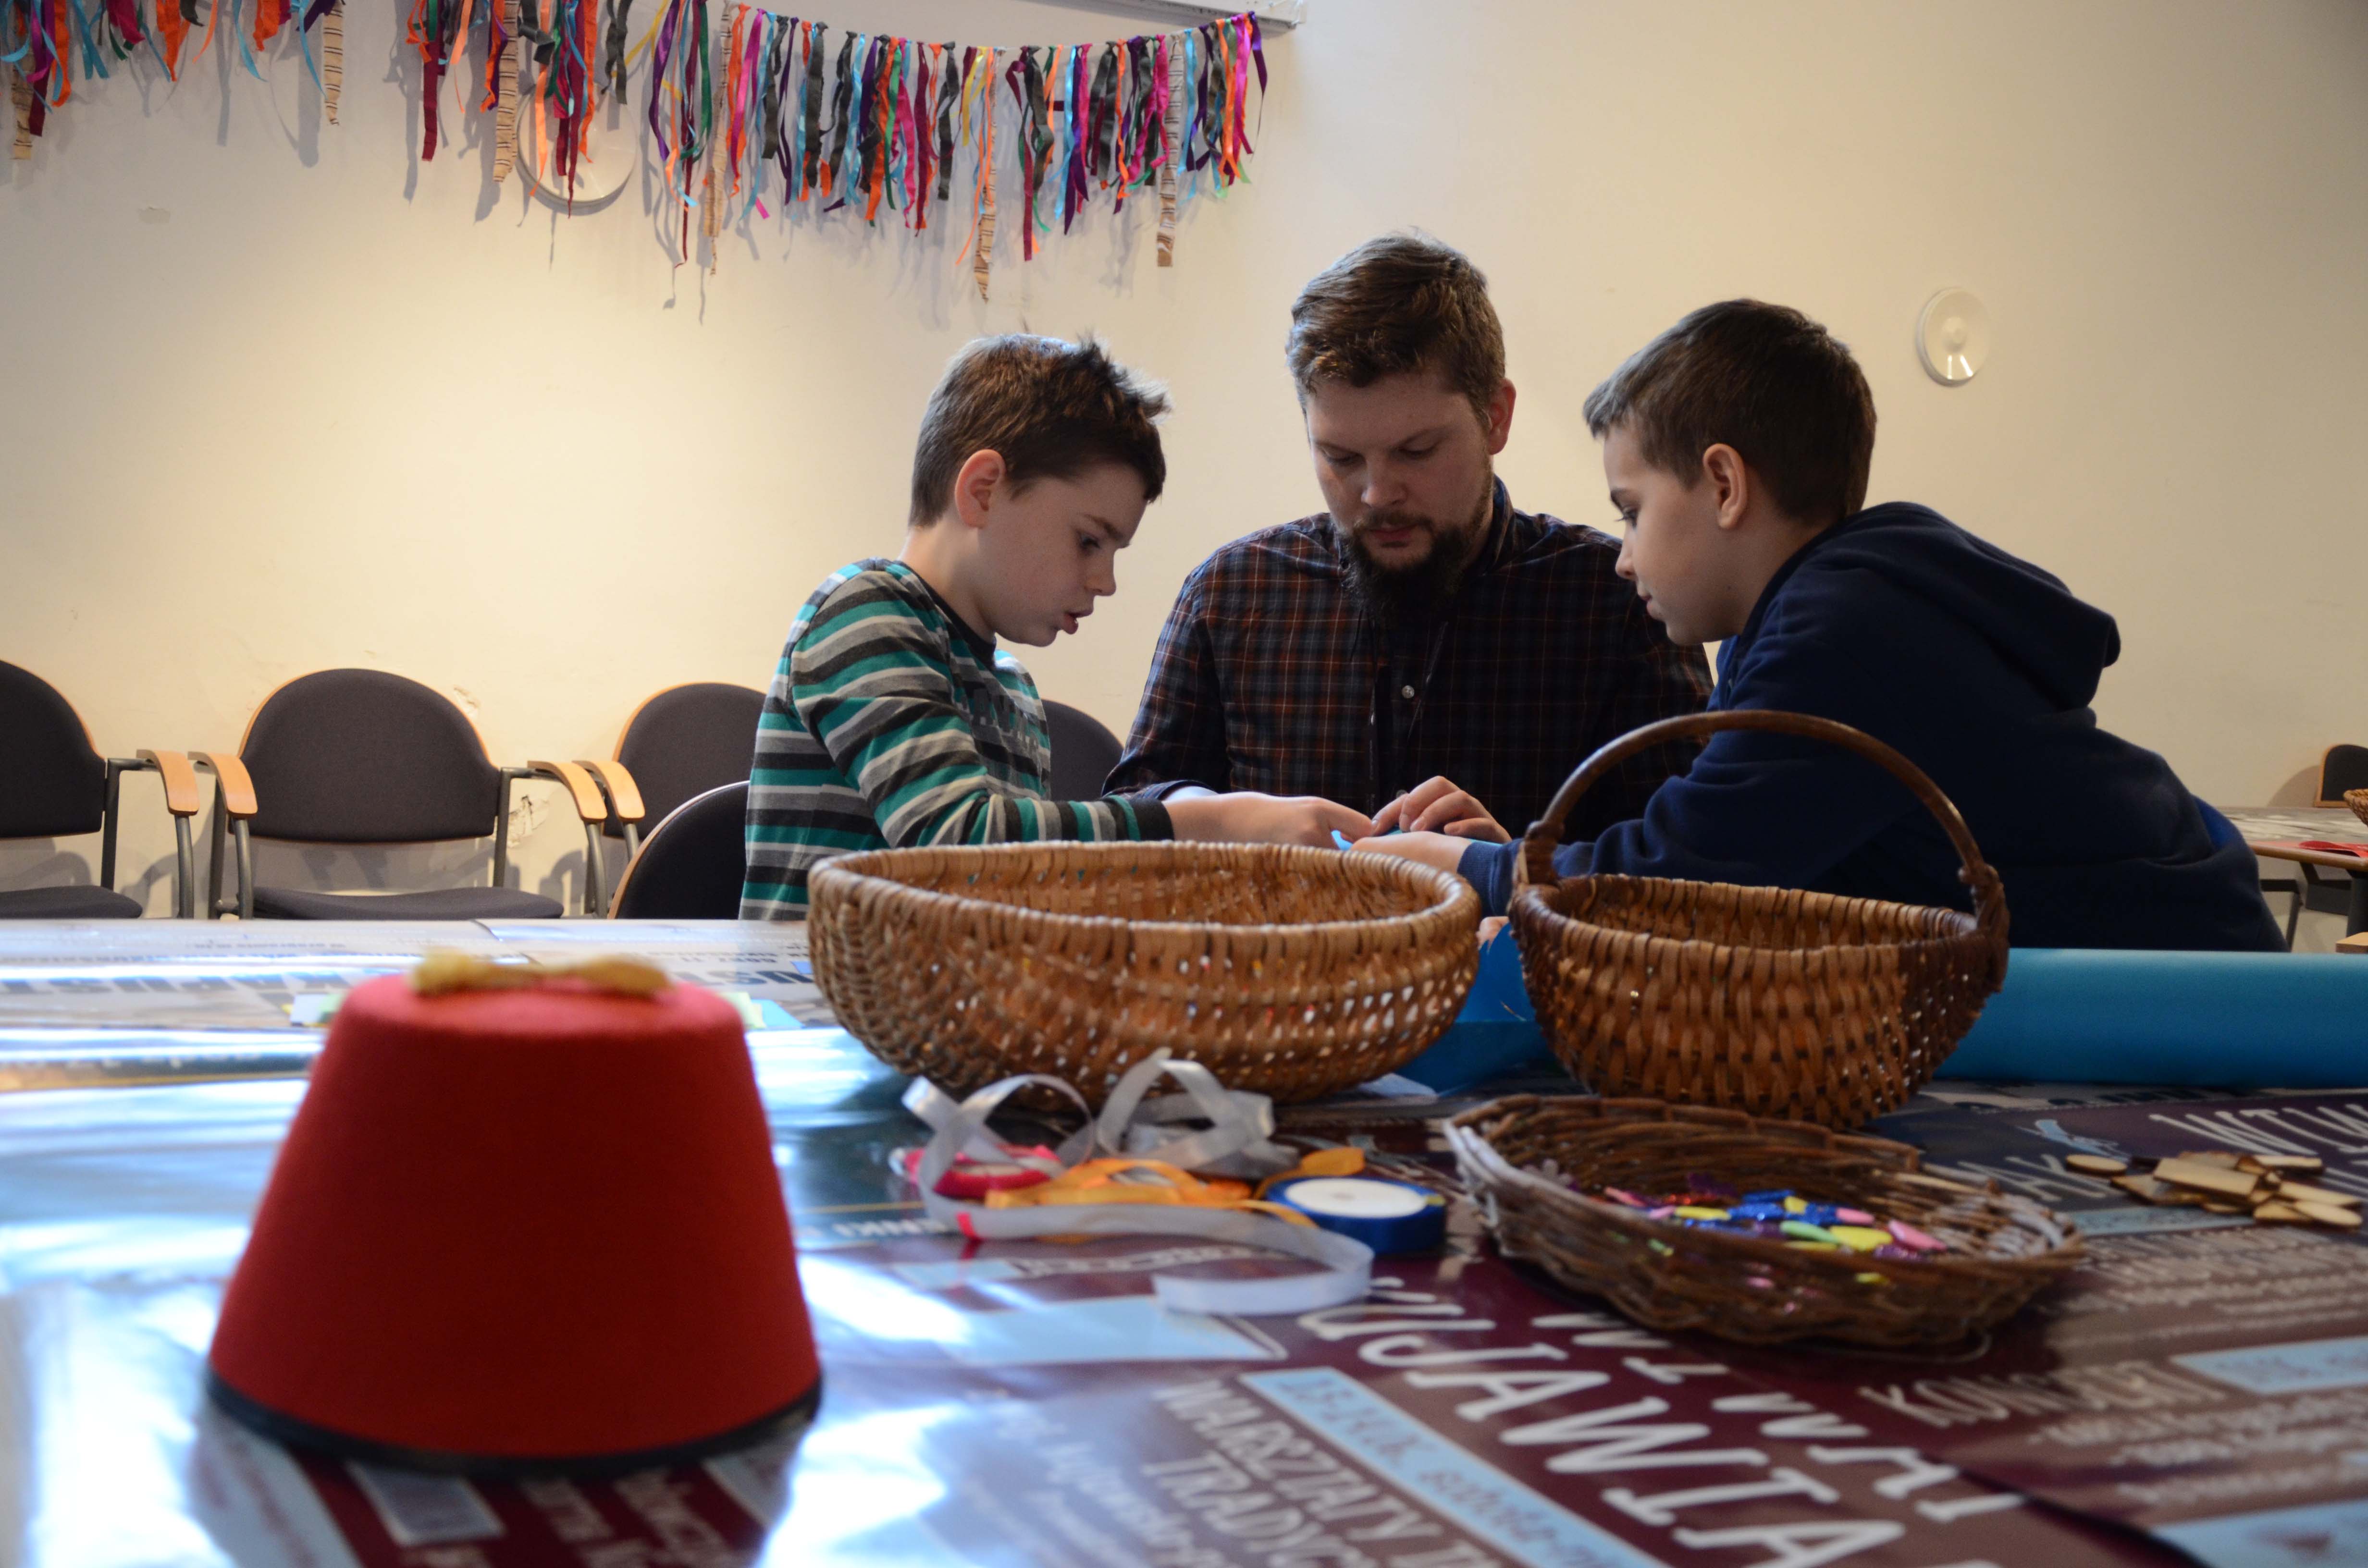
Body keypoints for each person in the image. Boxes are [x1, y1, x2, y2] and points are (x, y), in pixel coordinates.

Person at [1361, 300, 2283, 952]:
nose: (1623, 557)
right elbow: (1740, 851)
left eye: (1631, 512)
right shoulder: (1824, 605)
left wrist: (1478, 868)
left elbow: (1685, 879)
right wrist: (1529, 864)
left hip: (2181, 977)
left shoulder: (1843, 627)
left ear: (1724, 485)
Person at [1106, 234, 1712, 843]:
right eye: (1340, 457)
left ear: (1495, 418)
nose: (1377, 494)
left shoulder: (1616, 602)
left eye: (1416, 451)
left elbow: (1691, 862)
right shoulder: (1231, 593)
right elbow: (1132, 813)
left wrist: (1514, 873)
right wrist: (1218, 819)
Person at [740, 335, 1370, 919]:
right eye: (1088, 540)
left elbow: (1015, 898)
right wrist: (1209, 824)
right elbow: (960, 846)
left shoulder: (1014, 692)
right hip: (813, 999)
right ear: (983, 491)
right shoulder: (866, 612)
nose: (1106, 581)